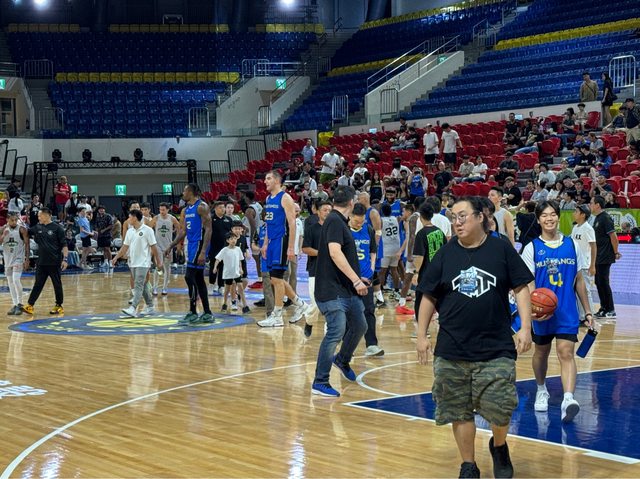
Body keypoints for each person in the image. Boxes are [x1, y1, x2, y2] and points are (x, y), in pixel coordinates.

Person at [416, 196, 533, 479]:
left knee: (501, 407)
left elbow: (521, 287)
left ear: (480, 217)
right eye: (453, 217)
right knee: (458, 410)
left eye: (462, 216)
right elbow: (428, 295)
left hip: (496, 346)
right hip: (452, 347)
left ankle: (499, 446)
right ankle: (468, 464)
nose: (457, 222)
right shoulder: (445, 253)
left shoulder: (501, 249)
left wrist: (526, 327)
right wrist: (421, 335)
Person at [521, 201, 593, 423]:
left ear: (558, 217)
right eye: (544, 215)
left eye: (553, 214)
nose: (549, 219)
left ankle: (568, 399)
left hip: (567, 311)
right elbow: (529, 284)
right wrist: (533, 308)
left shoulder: (572, 245)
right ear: (538, 219)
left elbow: (579, 281)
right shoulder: (532, 248)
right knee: (541, 352)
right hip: (541, 312)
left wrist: (588, 312)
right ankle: (541, 389)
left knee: (566, 352)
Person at [312, 185, 368, 397]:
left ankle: (342, 360)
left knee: (360, 325)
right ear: (352, 203)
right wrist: (356, 280)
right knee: (336, 331)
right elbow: (335, 253)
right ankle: (320, 381)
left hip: (345, 288)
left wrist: (356, 277)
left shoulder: (339, 221)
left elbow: (341, 256)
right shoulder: (335, 221)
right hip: (331, 290)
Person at [258, 171, 313, 327]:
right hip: (272, 242)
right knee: (276, 279)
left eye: (268, 178)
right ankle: (301, 304)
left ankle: (277, 316)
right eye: (265, 178)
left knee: (276, 279)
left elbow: (292, 223)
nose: (265, 181)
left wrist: (290, 247)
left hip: (282, 241)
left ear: (277, 180)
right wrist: (265, 243)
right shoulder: (268, 199)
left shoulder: (285, 198)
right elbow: (269, 223)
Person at [165, 184, 213, 324]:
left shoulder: (201, 206)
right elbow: (183, 231)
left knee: (188, 276)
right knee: (198, 279)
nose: (183, 193)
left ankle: (193, 311)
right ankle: (207, 312)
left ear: (191, 192)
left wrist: (203, 251)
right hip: (191, 245)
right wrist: (171, 245)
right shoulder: (186, 210)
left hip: (199, 244)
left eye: (185, 190)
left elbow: (209, 229)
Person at [112, 209, 162, 318]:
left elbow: (154, 247)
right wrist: (116, 257)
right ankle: (150, 306)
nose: (128, 219)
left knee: (138, 285)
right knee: (142, 285)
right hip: (132, 262)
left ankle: (133, 308)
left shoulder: (148, 230)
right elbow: (125, 247)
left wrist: (158, 262)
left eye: (130, 217)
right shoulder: (130, 231)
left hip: (143, 263)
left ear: (135, 218)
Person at [350, 202, 383, 357]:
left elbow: (372, 251)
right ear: (350, 216)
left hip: (366, 278)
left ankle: (371, 345)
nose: (359, 224)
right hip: (349, 279)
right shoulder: (343, 230)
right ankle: (347, 346)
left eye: (362, 221)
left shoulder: (368, 229)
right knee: (348, 312)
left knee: (369, 310)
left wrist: (371, 269)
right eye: (357, 221)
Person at [22, 207, 68, 315]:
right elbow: (25, 232)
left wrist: (65, 259)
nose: (38, 217)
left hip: (54, 262)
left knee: (57, 284)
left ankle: (59, 305)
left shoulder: (58, 228)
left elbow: (64, 245)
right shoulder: (37, 227)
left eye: (40, 215)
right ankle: (30, 305)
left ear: (47, 215)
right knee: (38, 284)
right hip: (41, 262)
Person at [411, 202, 445, 338]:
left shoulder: (421, 233)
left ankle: (423, 330)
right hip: (440, 273)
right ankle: (447, 326)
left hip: (426, 274)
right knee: (440, 302)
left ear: (420, 216)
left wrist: (416, 273)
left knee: (420, 302)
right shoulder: (439, 231)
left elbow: (419, 256)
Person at [301, 200, 332, 337]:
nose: (327, 213)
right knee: (316, 303)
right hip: (315, 270)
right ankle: (309, 321)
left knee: (331, 303)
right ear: (318, 212)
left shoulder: (336, 228)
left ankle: (330, 333)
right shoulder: (311, 229)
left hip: (333, 271)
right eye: (325, 210)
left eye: (330, 210)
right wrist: (322, 253)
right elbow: (305, 249)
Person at [590, 195, 620, 319]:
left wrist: (616, 252)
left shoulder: (605, 218)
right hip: (598, 255)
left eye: (591, 203)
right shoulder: (597, 218)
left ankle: (611, 309)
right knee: (598, 282)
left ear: (597, 205)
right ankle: (603, 308)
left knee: (604, 282)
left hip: (605, 255)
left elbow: (613, 236)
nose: (590, 205)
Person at [571, 204, 597, 317]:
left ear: (583, 215)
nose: (574, 213)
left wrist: (592, 265)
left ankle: (589, 315)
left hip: (585, 265)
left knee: (586, 291)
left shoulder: (588, 228)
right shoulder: (575, 227)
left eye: (576, 211)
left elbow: (593, 247)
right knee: (577, 291)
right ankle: (582, 315)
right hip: (576, 264)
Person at [2, 213, 29, 315]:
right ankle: (15, 304)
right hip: (7, 259)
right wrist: (3, 235)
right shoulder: (2, 229)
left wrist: (27, 259)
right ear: (7, 220)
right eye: (12, 220)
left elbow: (27, 244)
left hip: (18, 259)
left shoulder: (22, 229)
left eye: (15, 220)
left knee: (16, 280)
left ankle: (20, 304)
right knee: (10, 282)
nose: (14, 222)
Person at [212, 232, 247, 313]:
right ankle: (224, 304)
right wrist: (215, 267)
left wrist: (241, 268)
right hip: (228, 273)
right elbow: (218, 259)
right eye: (231, 239)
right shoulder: (224, 250)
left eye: (235, 238)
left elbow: (240, 260)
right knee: (227, 290)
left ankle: (245, 306)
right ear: (227, 240)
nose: (233, 240)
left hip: (236, 273)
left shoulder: (238, 249)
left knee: (241, 288)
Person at [150, 202, 180, 295]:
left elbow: (179, 229)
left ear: (168, 210)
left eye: (163, 210)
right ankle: (155, 287)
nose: (161, 211)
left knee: (167, 267)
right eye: (160, 210)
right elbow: (148, 229)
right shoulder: (156, 218)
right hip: (157, 246)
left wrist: (177, 242)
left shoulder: (172, 218)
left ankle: (165, 288)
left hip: (168, 246)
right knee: (157, 267)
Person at [379, 202, 402, 301]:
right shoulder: (396, 218)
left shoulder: (381, 220)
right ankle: (396, 290)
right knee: (394, 270)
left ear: (382, 211)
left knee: (382, 271)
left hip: (386, 248)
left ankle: (380, 291)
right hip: (396, 247)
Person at [209, 200, 233, 294]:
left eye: (223, 207)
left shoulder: (228, 220)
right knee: (213, 266)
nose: (222, 209)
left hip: (225, 248)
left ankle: (221, 286)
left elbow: (231, 234)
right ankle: (211, 285)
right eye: (220, 207)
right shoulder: (211, 219)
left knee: (223, 267)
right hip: (214, 247)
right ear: (215, 209)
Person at [241, 191, 264, 290]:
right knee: (261, 258)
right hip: (263, 233)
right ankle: (263, 279)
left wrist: (252, 240)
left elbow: (253, 226)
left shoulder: (249, 210)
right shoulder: (258, 205)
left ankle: (261, 280)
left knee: (257, 258)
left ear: (247, 197)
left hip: (257, 236)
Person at [94, 205, 114, 269]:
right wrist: (97, 231)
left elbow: (111, 225)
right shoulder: (97, 217)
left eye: (102, 209)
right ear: (98, 210)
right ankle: (106, 262)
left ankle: (111, 262)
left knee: (107, 248)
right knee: (103, 249)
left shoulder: (108, 216)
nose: (101, 210)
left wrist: (104, 230)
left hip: (107, 235)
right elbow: (96, 226)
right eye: (100, 209)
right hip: (100, 235)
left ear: (104, 210)